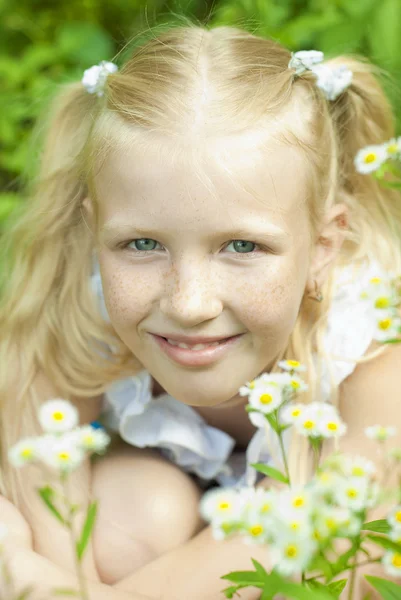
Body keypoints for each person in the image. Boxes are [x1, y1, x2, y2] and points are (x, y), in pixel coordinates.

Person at [1, 19, 401, 600]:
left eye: (243, 246)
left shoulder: (369, 340)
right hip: (180, 514)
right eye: (142, 244)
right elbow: (41, 497)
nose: (189, 304)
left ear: (323, 246)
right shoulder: (80, 301)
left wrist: (27, 572)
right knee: (137, 510)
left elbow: (333, 545)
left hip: (311, 539)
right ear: (94, 232)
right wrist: (45, 572)